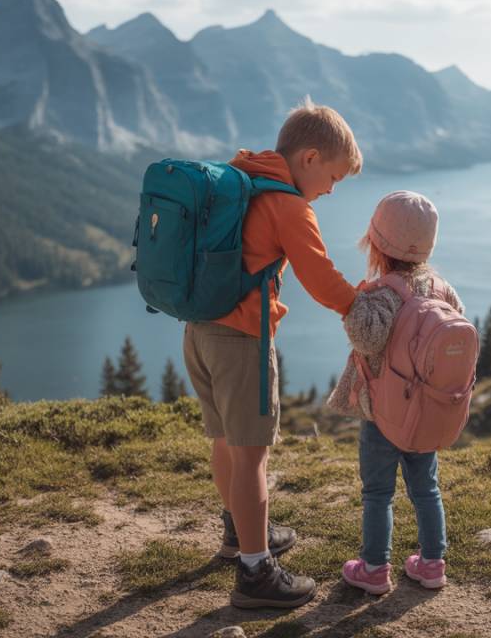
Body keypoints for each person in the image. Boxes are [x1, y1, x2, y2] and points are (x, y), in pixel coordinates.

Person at [183, 99, 362, 609]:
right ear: (308, 158)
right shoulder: (289, 205)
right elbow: (321, 279)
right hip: (242, 341)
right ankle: (257, 573)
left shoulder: (240, 175)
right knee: (253, 457)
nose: (330, 190)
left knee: (224, 440)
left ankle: (239, 534)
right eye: (332, 177)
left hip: (199, 331)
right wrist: (363, 304)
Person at [327, 191, 464, 594]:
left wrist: (353, 303)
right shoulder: (443, 290)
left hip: (383, 416)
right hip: (426, 413)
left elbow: (367, 339)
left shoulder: (383, 292)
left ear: (377, 245)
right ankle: (432, 563)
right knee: (426, 488)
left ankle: (373, 568)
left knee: (377, 493)